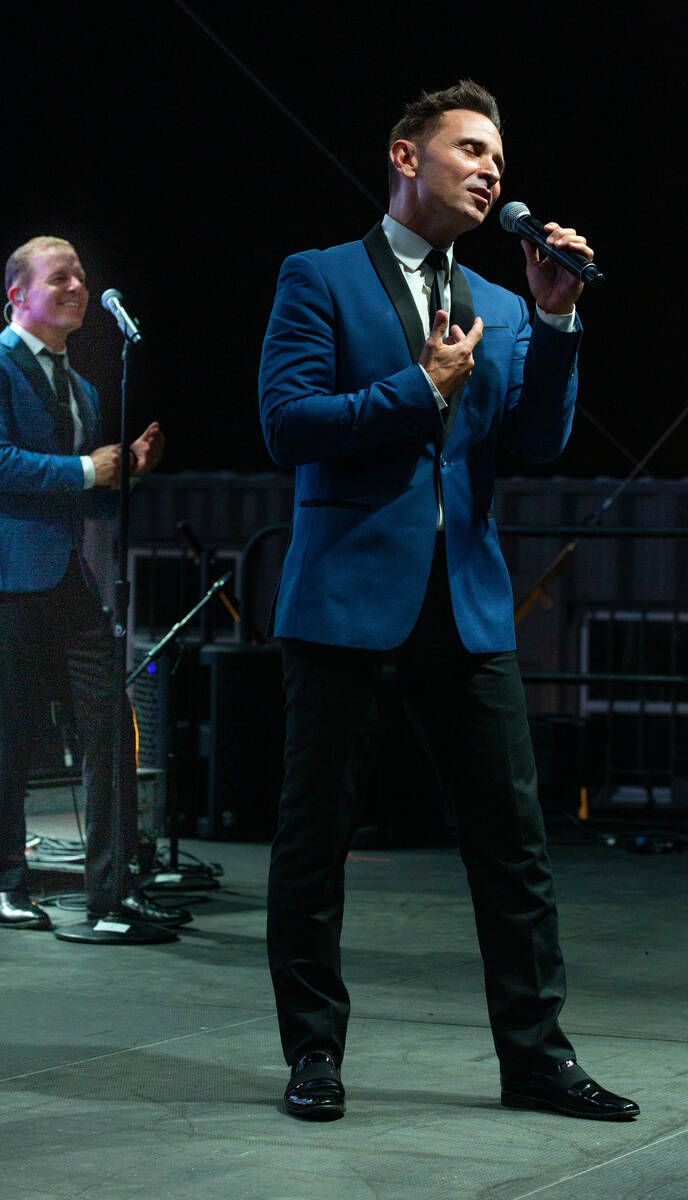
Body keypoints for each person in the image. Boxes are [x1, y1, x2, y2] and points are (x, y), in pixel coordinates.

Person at [259, 81, 638, 1121]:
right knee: (311, 843)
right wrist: (414, 392)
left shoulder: (507, 305)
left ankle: (534, 1061)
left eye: (498, 162)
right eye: (467, 149)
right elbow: (286, 424)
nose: (488, 171)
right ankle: (314, 1055)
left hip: (464, 605)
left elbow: (538, 444)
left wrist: (555, 324)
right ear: (402, 155)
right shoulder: (319, 278)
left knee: (512, 845)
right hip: (342, 603)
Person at [0, 235, 190, 934]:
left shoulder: (81, 387)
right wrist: (90, 470)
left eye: (82, 275)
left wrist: (125, 474)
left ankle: (112, 892)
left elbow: (84, 495)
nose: (78, 286)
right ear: (18, 294)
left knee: (110, 725)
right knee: (13, 732)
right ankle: (4, 883)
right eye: (61, 277)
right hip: (1, 574)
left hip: (66, 575)